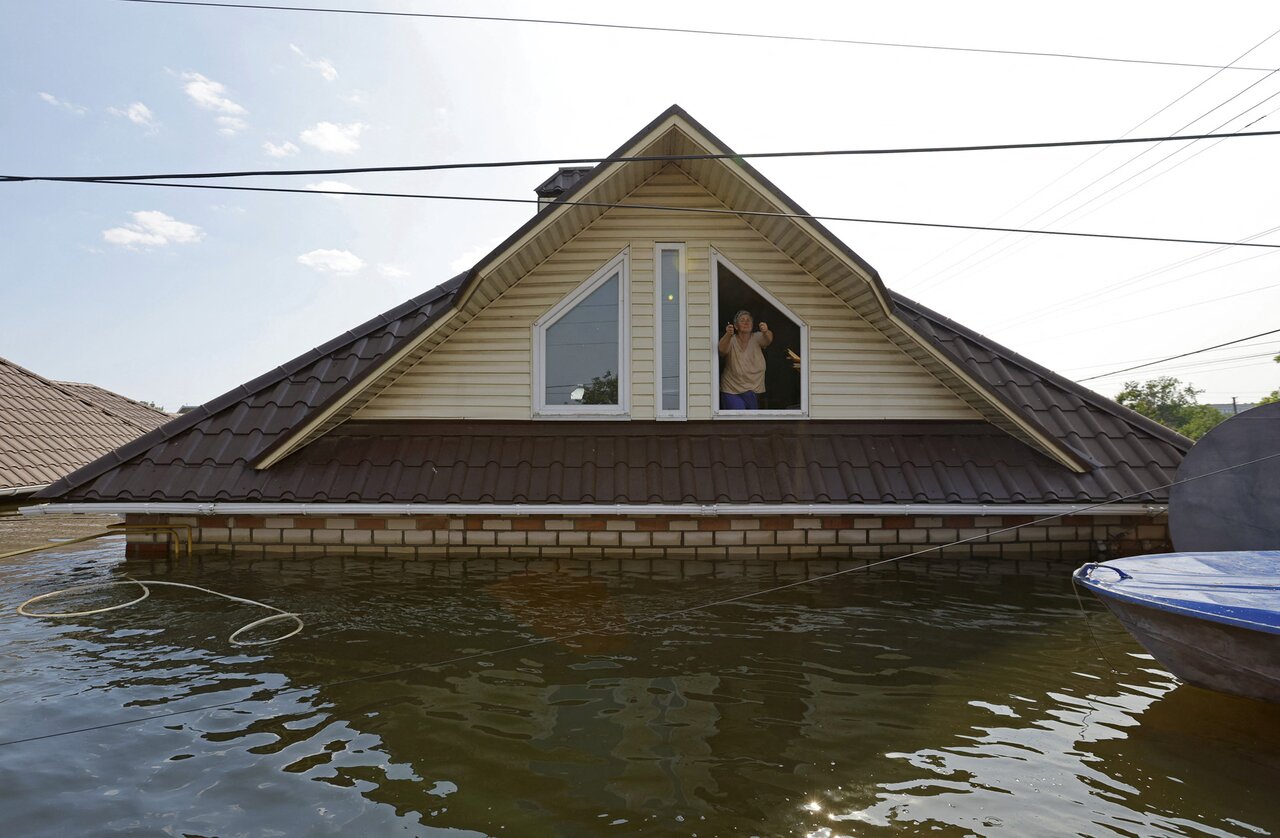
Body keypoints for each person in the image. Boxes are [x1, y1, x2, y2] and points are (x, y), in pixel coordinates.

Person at [718, 309, 772, 410]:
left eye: (749, 320)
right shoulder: (731, 339)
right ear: (736, 326)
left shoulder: (757, 337)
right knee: (738, 420)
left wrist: (766, 331)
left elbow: (768, 340)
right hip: (732, 388)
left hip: (753, 388)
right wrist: (728, 334)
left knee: (751, 422)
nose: (746, 322)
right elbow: (722, 350)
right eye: (742, 320)